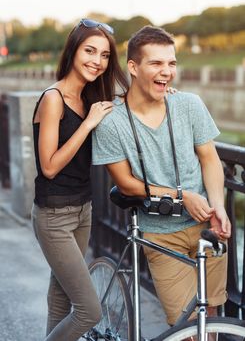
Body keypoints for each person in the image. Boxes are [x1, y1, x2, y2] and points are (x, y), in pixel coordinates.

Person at [92, 25, 231, 328]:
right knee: (188, 328)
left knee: (213, 320)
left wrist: (218, 206)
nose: (166, 71)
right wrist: (180, 196)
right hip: (160, 235)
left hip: (206, 223)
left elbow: (210, 158)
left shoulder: (188, 104)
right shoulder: (111, 122)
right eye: (156, 63)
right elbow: (126, 182)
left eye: (171, 63)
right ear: (133, 67)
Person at [31, 19, 128, 341]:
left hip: (83, 210)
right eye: (89, 51)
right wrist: (87, 125)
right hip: (54, 216)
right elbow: (48, 166)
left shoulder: (89, 98)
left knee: (60, 301)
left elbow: (130, 104)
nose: (97, 61)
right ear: (73, 50)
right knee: (89, 310)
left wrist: (162, 91)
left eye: (103, 55)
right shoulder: (53, 98)